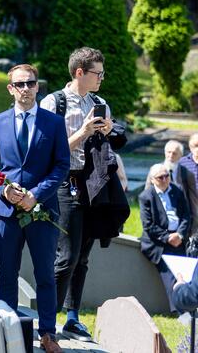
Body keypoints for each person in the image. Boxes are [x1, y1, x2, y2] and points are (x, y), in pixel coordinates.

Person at [0, 64, 70, 353]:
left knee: (45, 274)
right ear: (10, 88)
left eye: (30, 83)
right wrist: (4, 190)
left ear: (37, 87)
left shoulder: (54, 123)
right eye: (19, 84)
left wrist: (36, 195)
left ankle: (47, 333)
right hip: (6, 212)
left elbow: (61, 166)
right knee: (8, 273)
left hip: (42, 212)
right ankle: (8, 332)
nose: (25, 89)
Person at [39, 47, 120, 341]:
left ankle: (72, 319)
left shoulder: (100, 103)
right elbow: (48, 149)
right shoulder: (53, 103)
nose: (102, 77)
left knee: (83, 255)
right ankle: (48, 321)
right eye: (97, 73)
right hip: (64, 181)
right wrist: (84, 131)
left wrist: (107, 131)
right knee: (67, 256)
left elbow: (105, 149)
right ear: (79, 73)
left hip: (93, 184)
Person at [140, 163, 192, 311]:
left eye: (167, 176)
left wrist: (180, 234)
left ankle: (188, 307)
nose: (164, 179)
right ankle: (179, 311)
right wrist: (168, 237)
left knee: (184, 275)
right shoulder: (146, 197)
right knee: (170, 276)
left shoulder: (177, 190)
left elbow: (186, 216)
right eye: (160, 177)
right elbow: (148, 226)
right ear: (152, 180)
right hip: (159, 244)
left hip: (179, 240)